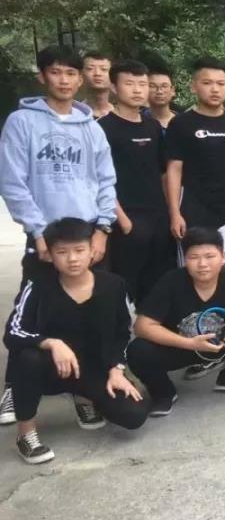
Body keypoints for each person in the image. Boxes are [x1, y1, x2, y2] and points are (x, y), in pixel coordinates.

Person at [0, 45, 118, 417]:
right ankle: (15, 387)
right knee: (31, 312)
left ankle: (84, 389)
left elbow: (106, 181)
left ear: (80, 79)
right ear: (42, 76)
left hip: (88, 234)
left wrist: (103, 229)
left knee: (90, 312)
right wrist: (37, 232)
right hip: (46, 236)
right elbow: (13, 183)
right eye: (55, 72)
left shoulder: (91, 127)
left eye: (70, 73)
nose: (64, 80)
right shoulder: (22, 122)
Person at [4, 219, 147, 464]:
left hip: (92, 368)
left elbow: (121, 333)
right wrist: (51, 343)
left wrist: (117, 369)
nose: (72, 259)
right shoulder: (37, 285)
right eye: (62, 252)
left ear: (92, 251)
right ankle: (25, 433)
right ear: (50, 255)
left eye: (79, 250)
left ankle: (83, 397)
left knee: (134, 415)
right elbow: (13, 332)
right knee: (27, 357)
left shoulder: (114, 285)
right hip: (50, 369)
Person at [128, 226, 225, 411]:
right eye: (194, 257)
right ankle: (164, 393)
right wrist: (189, 343)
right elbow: (142, 326)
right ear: (185, 259)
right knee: (138, 350)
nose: (202, 264)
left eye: (209, 256)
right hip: (182, 345)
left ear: (222, 256)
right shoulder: (171, 281)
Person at [99, 59, 173, 305]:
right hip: (126, 218)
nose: (137, 90)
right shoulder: (103, 128)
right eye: (129, 84)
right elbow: (100, 179)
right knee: (124, 282)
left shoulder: (153, 126)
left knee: (158, 281)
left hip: (158, 216)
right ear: (114, 87)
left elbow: (163, 173)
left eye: (142, 84)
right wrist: (123, 221)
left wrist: (171, 212)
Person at [165, 57, 225, 238]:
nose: (215, 89)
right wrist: (174, 213)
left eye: (221, 83)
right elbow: (174, 170)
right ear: (194, 87)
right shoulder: (181, 123)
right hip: (195, 207)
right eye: (207, 83)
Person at [146, 61, 178, 129]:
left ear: (173, 90)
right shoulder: (136, 120)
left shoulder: (183, 122)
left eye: (164, 86)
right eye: (152, 86)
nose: (159, 91)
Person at [82, 51, 113, 118]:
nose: (97, 73)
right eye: (90, 69)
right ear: (81, 75)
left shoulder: (122, 115)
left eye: (104, 69)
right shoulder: (74, 114)